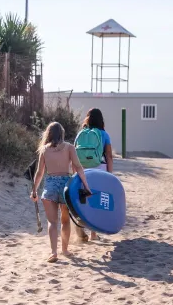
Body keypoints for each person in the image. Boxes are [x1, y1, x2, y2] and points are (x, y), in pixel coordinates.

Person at [31, 122, 91, 263]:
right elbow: (78, 167)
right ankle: (64, 249)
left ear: (48, 134)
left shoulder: (44, 150)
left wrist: (34, 190)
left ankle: (53, 252)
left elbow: (39, 173)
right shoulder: (70, 147)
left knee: (52, 222)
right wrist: (86, 186)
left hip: (50, 186)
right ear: (62, 133)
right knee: (65, 221)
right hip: (66, 186)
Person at [74, 108, 114, 241]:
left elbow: (75, 154)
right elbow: (109, 156)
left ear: (87, 119)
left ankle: (80, 225)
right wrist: (110, 175)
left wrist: (75, 172)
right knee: (95, 201)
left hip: (82, 169)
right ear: (101, 119)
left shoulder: (81, 133)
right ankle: (93, 234)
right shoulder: (104, 134)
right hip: (99, 169)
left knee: (82, 199)